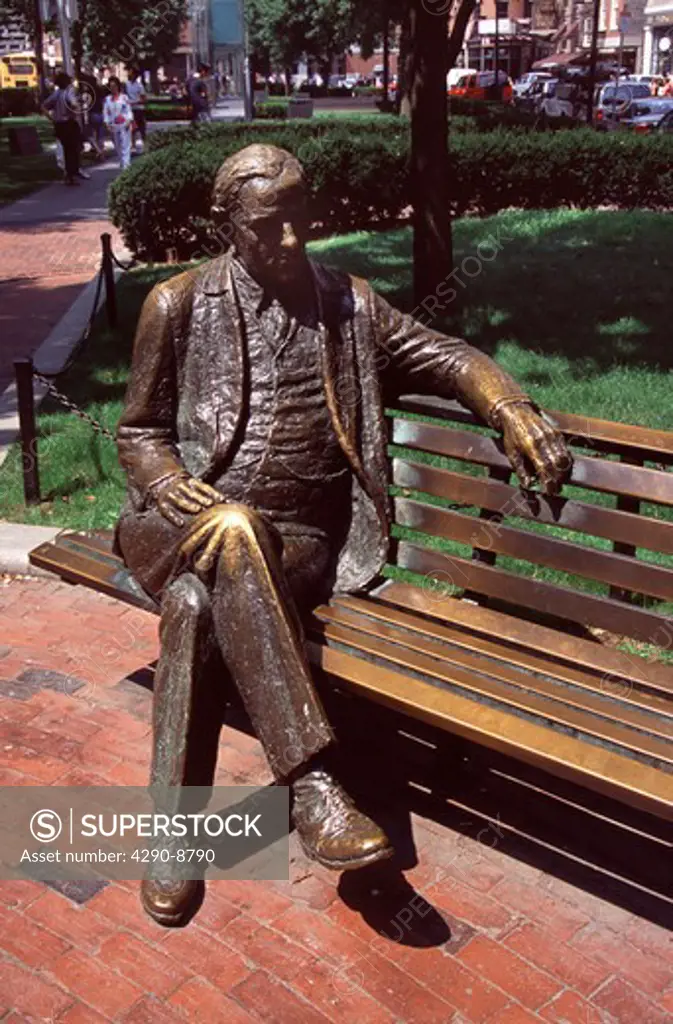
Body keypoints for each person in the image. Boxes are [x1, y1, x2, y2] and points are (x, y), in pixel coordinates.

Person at [115, 143, 571, 926]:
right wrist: (162, 480)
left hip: (299, 543)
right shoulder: (177, 305)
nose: (290, 240)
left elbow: (444, 354)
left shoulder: (349, 304)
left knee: (194, 608)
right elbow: (138, 432)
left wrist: (509, 406)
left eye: (300, 219)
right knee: (223, 533)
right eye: (268, 226)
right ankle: (312, 784)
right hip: (177, 525)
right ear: (229, 225)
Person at [42, 72, 86, 185]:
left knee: (67, 150)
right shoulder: (68, 93)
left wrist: (51, 118)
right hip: (69, 124)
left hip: (59, 125)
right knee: (73, 149)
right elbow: (74, 104)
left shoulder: (56, 94)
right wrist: (77, 108)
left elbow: (43, 106)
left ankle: (68, 173)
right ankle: (72, 174)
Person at [103, 76, 133, 170]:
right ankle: (122, 163)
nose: (113, 88)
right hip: (114, 126)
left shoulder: (124, 98)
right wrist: (107, 123)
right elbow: (105, 112)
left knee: (125, 146)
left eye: (114, 86)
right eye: (111, 86)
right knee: (118, 147)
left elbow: (128, 110)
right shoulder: (107, 99)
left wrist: (129, 120)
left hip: (124, 125)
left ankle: (126, 167)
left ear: (118, 86)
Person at [79, 68, 107, 161]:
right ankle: (101, 153)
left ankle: (98, 150)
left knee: (90, 135)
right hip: (101, 114)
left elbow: (85, 105)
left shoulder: (88, 93)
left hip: (92, 114)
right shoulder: (100, 90)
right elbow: (104, 102)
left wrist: (85, 117)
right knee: (100, 135)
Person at [125, 67, 147, 153]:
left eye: (130, 73)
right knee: (131, 128)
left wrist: (135, 102)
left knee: (141, 127)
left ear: (134, 75)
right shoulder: (126, 85)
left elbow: (144, 99)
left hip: (139, 109)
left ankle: (145, 143)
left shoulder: (139, 86)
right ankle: (132, 145)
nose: (129, 74)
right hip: (130, 110)